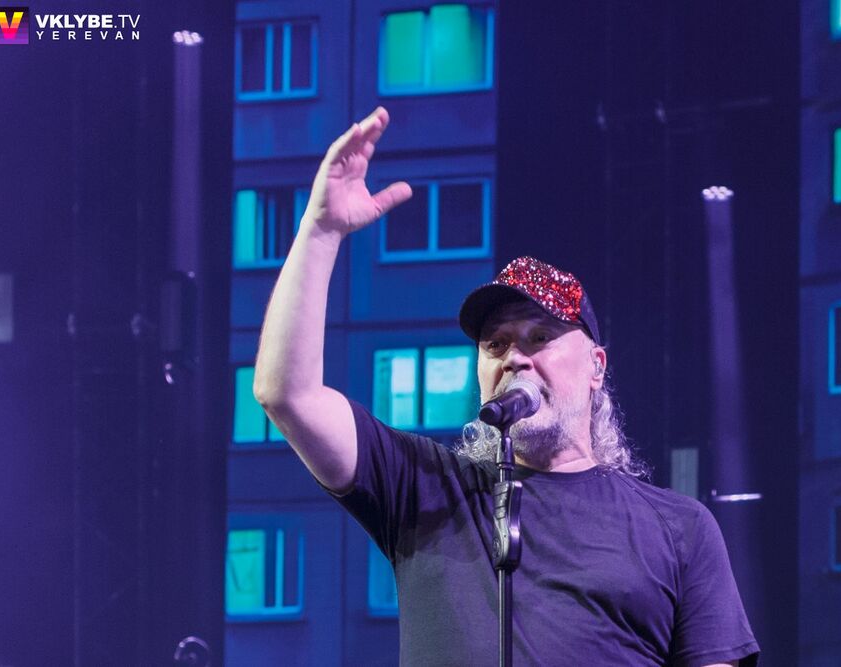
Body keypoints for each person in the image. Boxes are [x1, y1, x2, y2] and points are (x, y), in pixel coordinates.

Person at [254, 107, 759, 666]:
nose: (515, 356)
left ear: (596, 366)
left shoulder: (678, 528)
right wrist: (320, 230)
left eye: (540, 337)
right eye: (495, 344)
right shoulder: (427, 489)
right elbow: (287, 394)